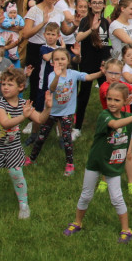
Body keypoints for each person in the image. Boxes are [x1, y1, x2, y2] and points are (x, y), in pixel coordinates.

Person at [62, 83, 132, 241]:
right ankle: (77, 222)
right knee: (86, 195)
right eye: (109, 99)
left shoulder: (128, 118)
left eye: (116, 100)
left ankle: (126, 230)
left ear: (126, 101)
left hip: (113, 165)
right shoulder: (104, 116)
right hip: (96, 163)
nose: (112, 103)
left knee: (117, 198)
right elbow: (114, 125)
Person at [0, 68, 49, 219]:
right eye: (3, 84)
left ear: (20, 87)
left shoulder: (23, 104)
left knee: (16, 174)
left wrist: (48, 107)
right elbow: (5, 123)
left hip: (12, 147)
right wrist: (23, 116)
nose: (5, 87)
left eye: (10, 84)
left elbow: (40, 119)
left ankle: (24, 205)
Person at [25, 47, 100, 175]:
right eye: (57, 59)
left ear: (68, 60)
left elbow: (87, 77)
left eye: (63, 59)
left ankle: (70, 164)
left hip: (67, 112)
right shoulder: (52, 75)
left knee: (67, 138)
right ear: (52, 62)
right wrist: (57, 76)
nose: (60, 61)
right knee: (41, 137)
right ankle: (32, 159)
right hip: (51, 112)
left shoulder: (73, 74)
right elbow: (52, 88)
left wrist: (101, 73)